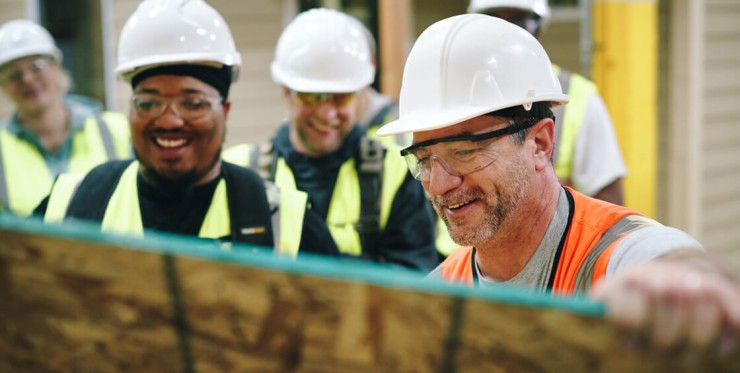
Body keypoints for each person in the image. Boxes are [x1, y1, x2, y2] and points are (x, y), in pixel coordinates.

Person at [377, 14, 740, 354]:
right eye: (424, 160)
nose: (438, 184)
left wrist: (691, 286)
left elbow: (672, 261)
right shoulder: (439, 294)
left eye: (465, 152)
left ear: (540, 144)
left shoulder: (611, 257)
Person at [34, 0, 338, 258]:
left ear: (225, 111)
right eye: (149, 103)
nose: (169, 121)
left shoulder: (283, 224)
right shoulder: (71, 205)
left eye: (193, 103)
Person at [223, 8, 438, 271]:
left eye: (340, 97)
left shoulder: (395, 172)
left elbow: (414, 280)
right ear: (286, 92)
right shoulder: (242, 172)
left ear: (361, 94)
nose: (326, 114)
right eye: (312, 97)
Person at [469, 0, 627, 205]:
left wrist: (555, 196)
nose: (505, 33)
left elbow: (609, 200)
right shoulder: (451, 92)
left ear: (539, 24)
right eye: (494, 22)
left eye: (518, 22)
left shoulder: (577, 96)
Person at [0, 19, 131, 216]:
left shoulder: (116, 130)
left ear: (56, 67)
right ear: (3, 86)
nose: (27, 79)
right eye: (14, 74)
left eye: (36, 66)